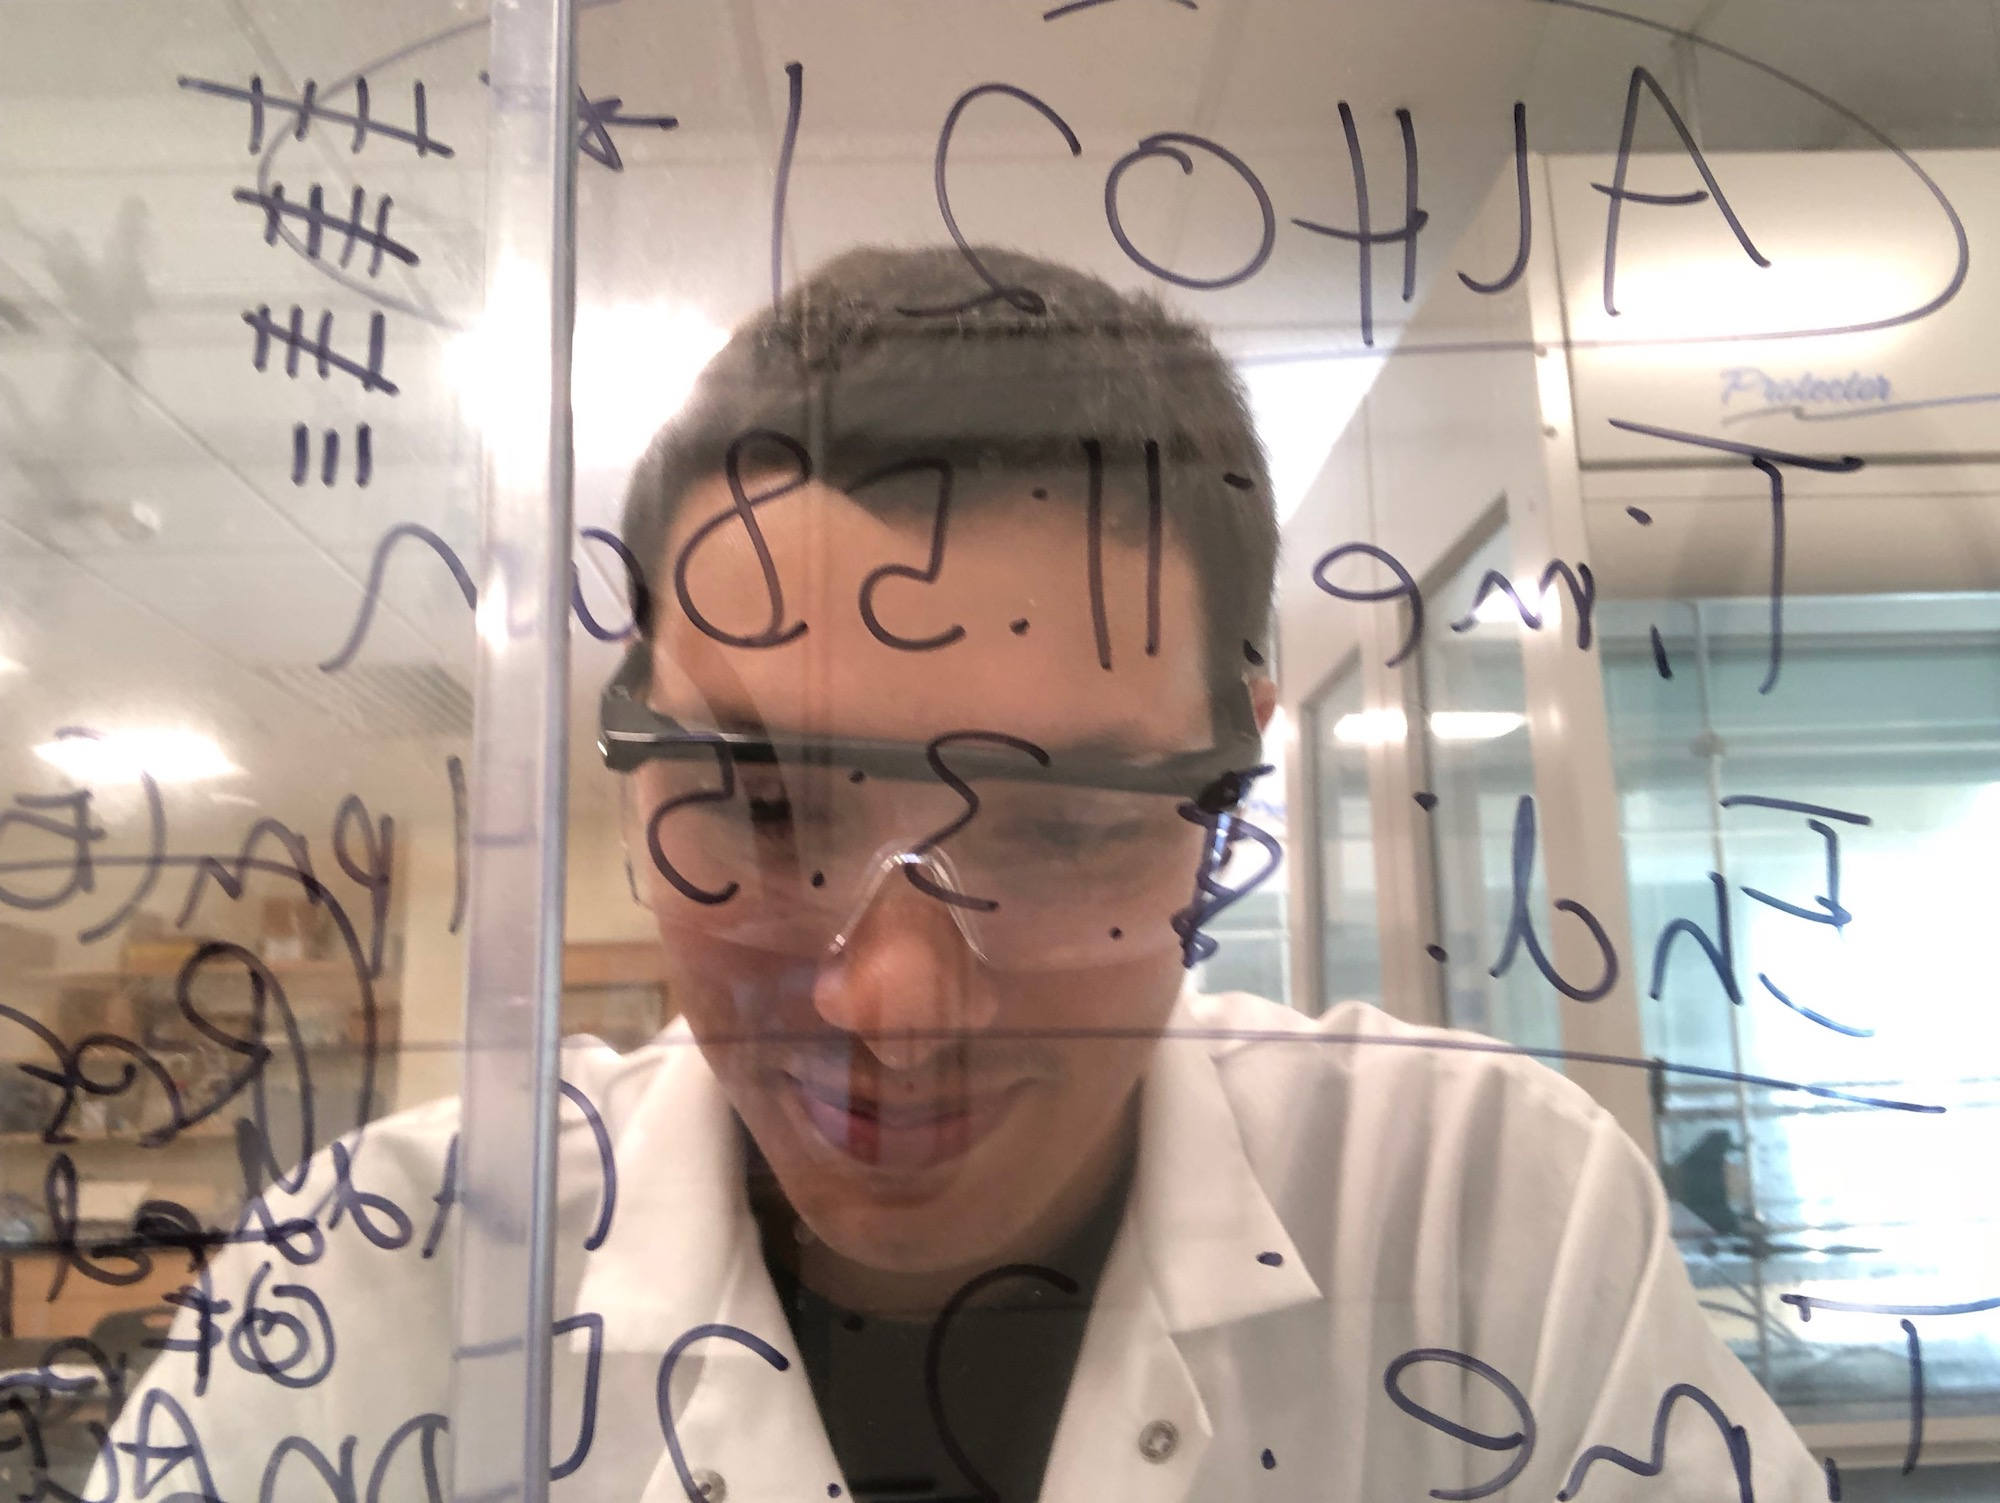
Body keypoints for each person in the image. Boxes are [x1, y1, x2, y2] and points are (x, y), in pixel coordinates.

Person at [98, 247, 1823, 1502]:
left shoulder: (1485, 1217)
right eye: (767, 817)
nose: (893, 1008)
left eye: (1065, 826)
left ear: (1234, 768)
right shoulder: (373, 1274)